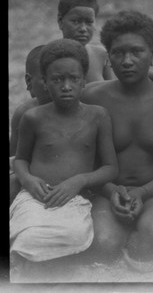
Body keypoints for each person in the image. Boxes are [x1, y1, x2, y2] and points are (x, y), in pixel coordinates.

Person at [81, 10, 153, 271]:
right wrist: (110, 191)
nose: (127, 60)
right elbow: (83, 160)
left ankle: (145, 231)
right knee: (102, 243)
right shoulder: (92, 98)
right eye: (118, 53)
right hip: (107, 192)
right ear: (109, 56)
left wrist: (143, 192)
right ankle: (120, 235)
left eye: (137, 52)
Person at [10, 39, 118, 264]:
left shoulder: (98, 116)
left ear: (84, 82)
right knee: (27, 234)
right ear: (46, 82)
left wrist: (79, 180)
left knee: (75, 234)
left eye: (74, 79)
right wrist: (28, 179)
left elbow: (110, 168)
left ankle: (49, 262)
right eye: (58, 80)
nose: (66, 86)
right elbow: (20, 160)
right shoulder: (33, 118)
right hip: (34, 197)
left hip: (74, 198)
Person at [57, 0, 153, 122]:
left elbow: (123, 80)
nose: (83, 29)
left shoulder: (101, 55)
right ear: (60, 21)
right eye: (76, 22)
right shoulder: (51, 57)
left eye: (89, 22)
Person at [9, 46, 52, 203]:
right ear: (29, 82)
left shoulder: (82, 111)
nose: (56, 85)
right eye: (46, 79)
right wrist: (26, 177)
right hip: (30, 178)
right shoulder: (24, 113)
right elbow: (14, 158)